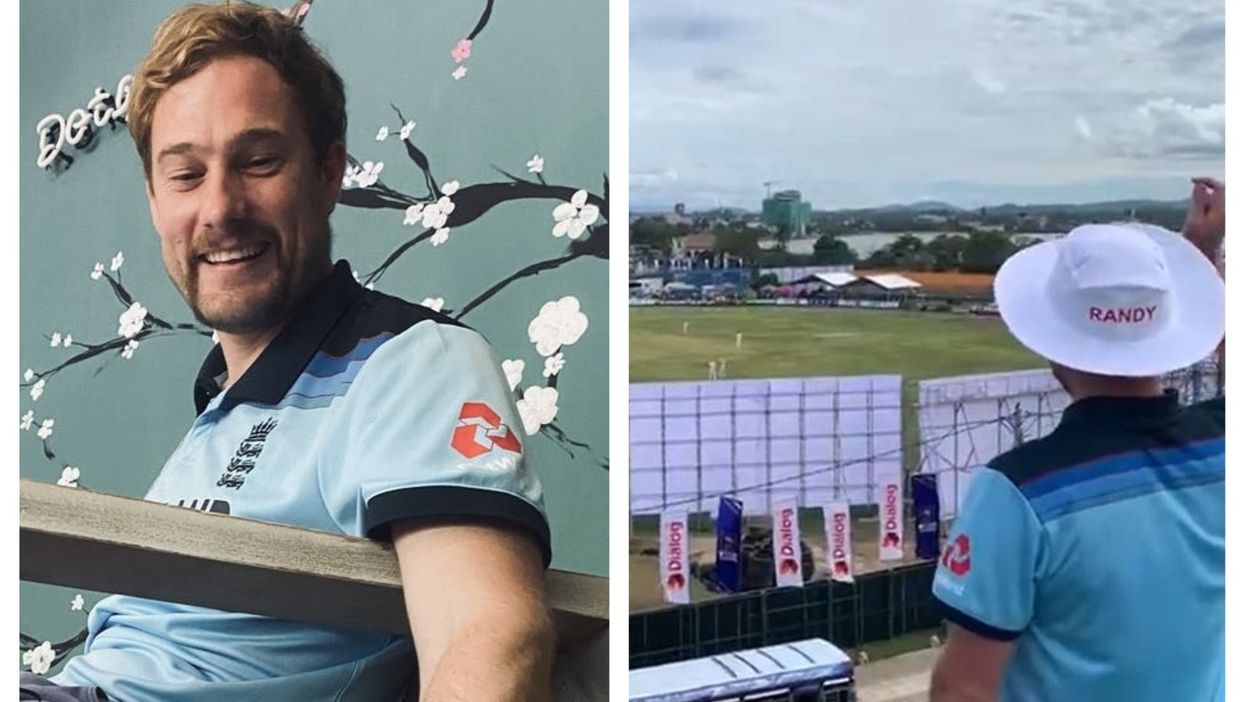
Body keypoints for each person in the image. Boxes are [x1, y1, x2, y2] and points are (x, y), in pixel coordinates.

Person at [22, 3, 555, 701]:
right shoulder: (217, 408)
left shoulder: (412, 362)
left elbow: (489, 638)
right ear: (154, 200)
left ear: (328, 172)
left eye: (259, 161)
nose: (218, 209)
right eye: (185, 175)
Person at [928, 178, 1225, 702]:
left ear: (1052, 341)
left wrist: (1193, 264)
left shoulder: (1018, 492)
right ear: (1173, 326)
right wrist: (1196, 265)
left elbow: (964, 690)